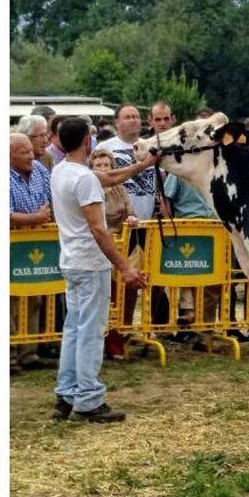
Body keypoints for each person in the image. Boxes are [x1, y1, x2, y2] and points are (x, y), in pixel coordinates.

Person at [50, 117, 159, 423]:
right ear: (87, 141)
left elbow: (110, 178)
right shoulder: (83, 179)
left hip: (72, 261)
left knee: (74, 329)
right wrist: (124, 267)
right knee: (90, 332)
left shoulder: (62, 171)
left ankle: (67, 393)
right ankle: (87, 398)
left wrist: (144, 165)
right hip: (90, 262)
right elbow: (99, 230)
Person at [159, 170, 222, 350]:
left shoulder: (217, 170)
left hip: (213, 231)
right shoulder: (179, 172)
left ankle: (205, 335)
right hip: (187, 229)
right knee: (187, 273)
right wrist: (171, 227)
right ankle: (188, 311)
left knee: (212, 284)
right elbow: (165, 199)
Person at [9, 133, 53, 374]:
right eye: (24, 152)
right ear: (9, 155)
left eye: (30, 150)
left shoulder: (39, 169)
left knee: (34, 297)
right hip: (12, 248)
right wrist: (35, 218)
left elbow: (52, 196)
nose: (31, 155)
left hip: (36, 246)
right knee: (11, 301)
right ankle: (10, 355)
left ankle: (29, 352)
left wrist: (41, 216)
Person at [89, 149, 139, 359]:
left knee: (126, 290)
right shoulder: (89, 190)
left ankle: (122, 332)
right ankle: (103, 342)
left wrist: (132, 219)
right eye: (98, 166)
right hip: (99, 247)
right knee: (104, 296)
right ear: (91, 169)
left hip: (122, 246)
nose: (102, 170)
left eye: (106, 166)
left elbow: (131, 213)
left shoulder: (120, 189)